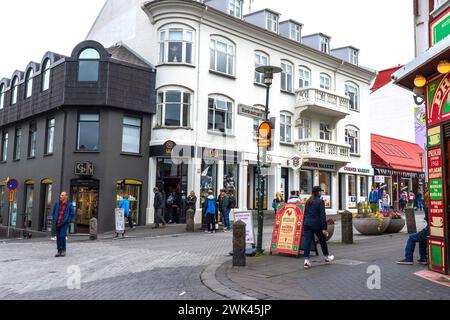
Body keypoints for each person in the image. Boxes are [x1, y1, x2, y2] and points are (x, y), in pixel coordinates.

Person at [303, 186, 334, 269]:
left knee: (307, 242)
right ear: (318, 193)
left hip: (307, 224)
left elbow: (305, 213)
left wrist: (304, 223)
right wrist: (324, 228)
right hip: (316, 225)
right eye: (320, 191)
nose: (321, 193)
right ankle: (327, 258)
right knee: (322, 240)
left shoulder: (308, 201)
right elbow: (322, 216)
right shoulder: (320, 202)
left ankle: (306, 261)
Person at [397, 188, 430, 265]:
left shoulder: (427, 207)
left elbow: (429, 220)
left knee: (412, 237)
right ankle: (423, 258)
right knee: (421, 237)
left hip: (430, 230)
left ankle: (408, 258)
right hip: (432, 229)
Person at [52, 192, 75, 257]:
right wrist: (54, 219)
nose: (60, 196)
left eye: (62, 195)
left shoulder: (69, 205)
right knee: (58, 237)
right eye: (61, 195)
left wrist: (68, 220)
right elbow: (54, 212)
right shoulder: (57, 203)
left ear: (66, 196)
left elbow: (72, 213)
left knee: (62, 236)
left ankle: (63, 250)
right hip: (57, 223)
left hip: (64, 223)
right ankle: (59, 251)